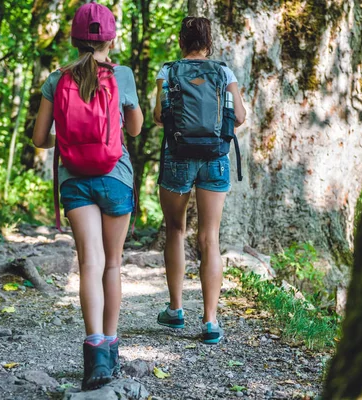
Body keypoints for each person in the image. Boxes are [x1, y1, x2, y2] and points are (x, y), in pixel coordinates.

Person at [32, 2, 143, 390]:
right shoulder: (123, 75)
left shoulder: (56, 78)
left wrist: (66, 137)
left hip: (75, 180)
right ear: (110, 38)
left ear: (74, 38)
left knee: (89, 264)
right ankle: (110, 351)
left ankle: (93, 350)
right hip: (116, 177)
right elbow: (134, 129)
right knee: (113, 264)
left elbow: (39, 138)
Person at [153, 17, 246, 344]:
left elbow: (157, 115)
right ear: (209, 41)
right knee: (210, 237)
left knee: (175, 230)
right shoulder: (224, 72)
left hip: (178, 156)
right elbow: (241, 116)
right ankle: (209, 321)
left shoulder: (168, 72)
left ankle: (176, 310)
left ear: (182, 40)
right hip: (215, 158)